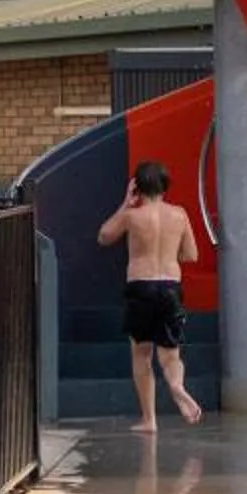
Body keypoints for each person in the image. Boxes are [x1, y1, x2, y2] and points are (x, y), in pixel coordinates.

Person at [97, 159, 204, 432]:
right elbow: (191, 255)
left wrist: (125, 203)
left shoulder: (132, 216)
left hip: (140, 286)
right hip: (169, 286)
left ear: (137, 187)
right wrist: (169, 254)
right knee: (171, 355)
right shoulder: (179, 215)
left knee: (141, 355)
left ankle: (149, 419)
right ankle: (177, 386)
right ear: (165, 186)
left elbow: (104, 236)